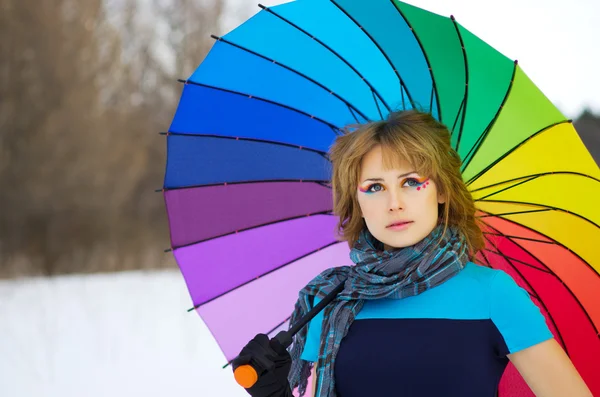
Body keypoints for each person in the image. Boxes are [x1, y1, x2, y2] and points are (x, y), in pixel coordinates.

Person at [232, 110, 592, 397]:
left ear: (441, 191)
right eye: (374, 187)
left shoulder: (493, 295)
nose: (394, 203)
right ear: (356, 202)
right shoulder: (331, 300)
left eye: (411, 182)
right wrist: (274, 392)